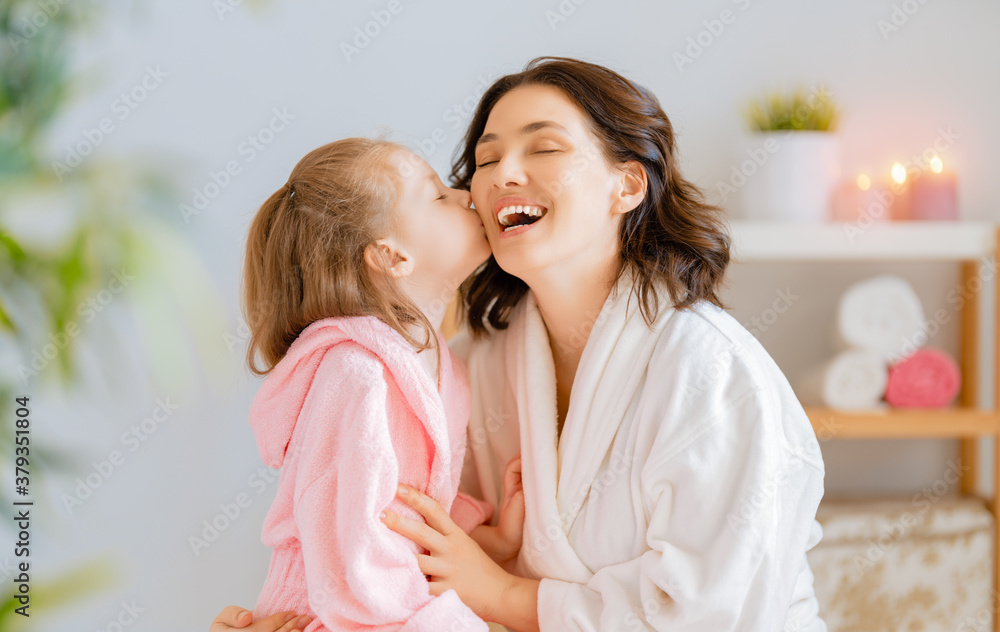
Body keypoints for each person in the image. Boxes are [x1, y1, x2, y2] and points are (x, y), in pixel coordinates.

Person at [214, 57, 826, 632]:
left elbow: (715, 612)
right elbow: (397, 555)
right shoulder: (472, 364)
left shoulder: (712, 374)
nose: (502, 175)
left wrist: (507, 595)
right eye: (486, 159)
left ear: (628, 186)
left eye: (545, 147)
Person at [235, 137, 526, 632]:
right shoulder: (356, 374)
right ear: (392, 258)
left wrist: (482, 539)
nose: (463, 194)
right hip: (331, 609)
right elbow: (347, 541)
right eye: (437, 195)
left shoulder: (439, 366)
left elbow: (401, 500)